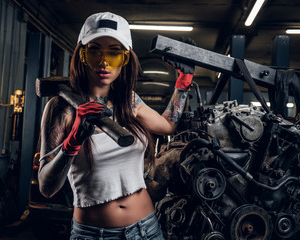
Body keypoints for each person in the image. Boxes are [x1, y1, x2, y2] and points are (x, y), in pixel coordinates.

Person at [37, 11, 194, 240]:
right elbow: (46, 187)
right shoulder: (62, 108)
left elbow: (167, 126)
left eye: (114, 53)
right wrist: (73, 141)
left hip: (147, 228)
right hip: (94, 234)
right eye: (94, 51)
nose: (104, 62)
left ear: (125, 59)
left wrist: (184, 80)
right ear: (82, 55)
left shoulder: (129, 101)